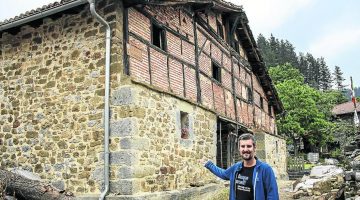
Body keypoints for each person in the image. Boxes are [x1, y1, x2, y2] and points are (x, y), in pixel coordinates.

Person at [203, 133, 279, 200]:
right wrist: (209, 165)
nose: (245, 149)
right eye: (243, 146)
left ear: (254, 148)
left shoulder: (265, 169)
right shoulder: (236, 168)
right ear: (239, 149)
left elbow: (273, 195)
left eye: (249, 146)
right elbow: (223, 174)